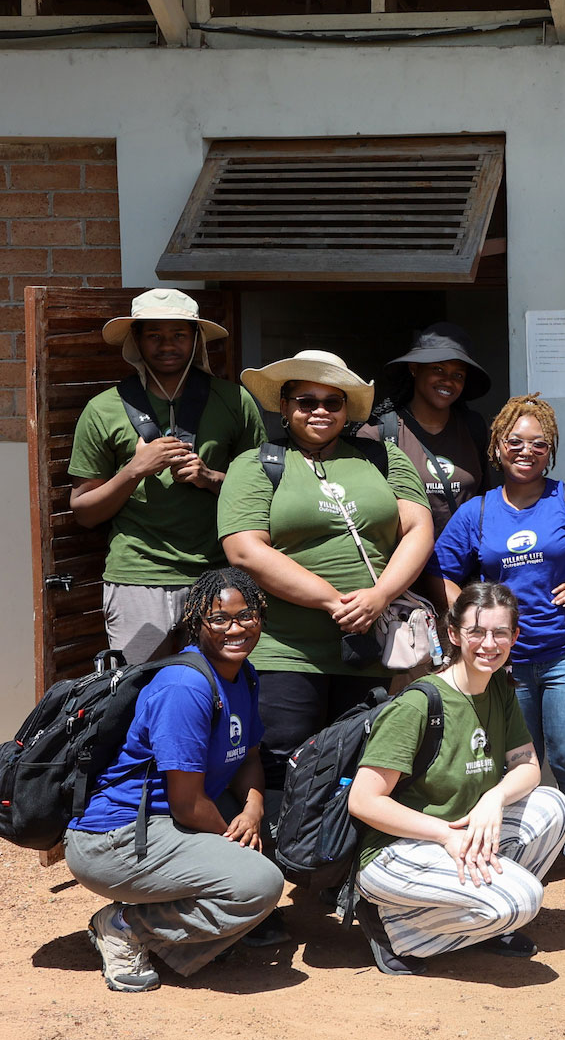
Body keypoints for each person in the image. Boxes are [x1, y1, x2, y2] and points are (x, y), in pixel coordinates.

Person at [433, 393, 565, 900]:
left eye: (538, 444)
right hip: (501, 663)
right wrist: (470, 630)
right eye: (515, 442)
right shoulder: (476, 512)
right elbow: (445, 570)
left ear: (550, 451)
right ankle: (515, 850)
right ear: (497, 448)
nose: (526, 452)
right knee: (514, 762)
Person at [217, 351, 434, 805]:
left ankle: (335, 866)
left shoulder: (381, 458)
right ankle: (278, 866)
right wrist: (334, 602)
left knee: (357, 763)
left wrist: (380, 596)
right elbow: (243, 548)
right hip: (286, 650)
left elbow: (418, 528)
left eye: (332, 402)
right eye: (306, 401)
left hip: (369, 647)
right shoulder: (256, 464)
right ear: (284, 405)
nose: (319, 411)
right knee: (281, 760)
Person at [64, 568, 286, 992]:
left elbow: (248, 757)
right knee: (259, 882)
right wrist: (240, 845)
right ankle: (124, 926)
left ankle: (210, 924)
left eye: (247, 615)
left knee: (285, 818)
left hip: (173, 820)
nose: (235, 628)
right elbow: (187, 803)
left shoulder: (244, 674)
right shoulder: (186, 685)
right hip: (118, 836)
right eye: (218, 619)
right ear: (195, 624)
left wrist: (254, 809)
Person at [346, 582, 565, 976]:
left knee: (555, 807)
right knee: (520, 903)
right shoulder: (419, 703)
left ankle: (481, 921)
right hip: (397, 851)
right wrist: (445, 834)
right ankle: (394, 928)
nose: (489, 643)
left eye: (501, 632)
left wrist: (494, 798)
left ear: (515, 636)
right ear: (454, 634)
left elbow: (528, 767)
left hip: (459, 834)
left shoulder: (499, 687)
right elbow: (363, 801)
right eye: (477, 632)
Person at [68, 290, 267, 663]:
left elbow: (265, 498)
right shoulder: (103, 408)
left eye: (178, 334)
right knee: (137, 693)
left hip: (219, 577)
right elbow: (84, 511)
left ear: (195, 340)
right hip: (137, 576)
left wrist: (209, 477)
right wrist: (135, 470)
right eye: (154, 335)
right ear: (137, 341)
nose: (167, 345)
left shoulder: (235, 401)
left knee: (217, 694)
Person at [366, 322, 495, 545]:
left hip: (464, 565)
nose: (448, 380)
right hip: (404, 567)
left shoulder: (473, 427)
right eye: (438, 369)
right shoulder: (378, 432)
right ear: (414, 368)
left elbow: (485, 498)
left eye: (458, 375)